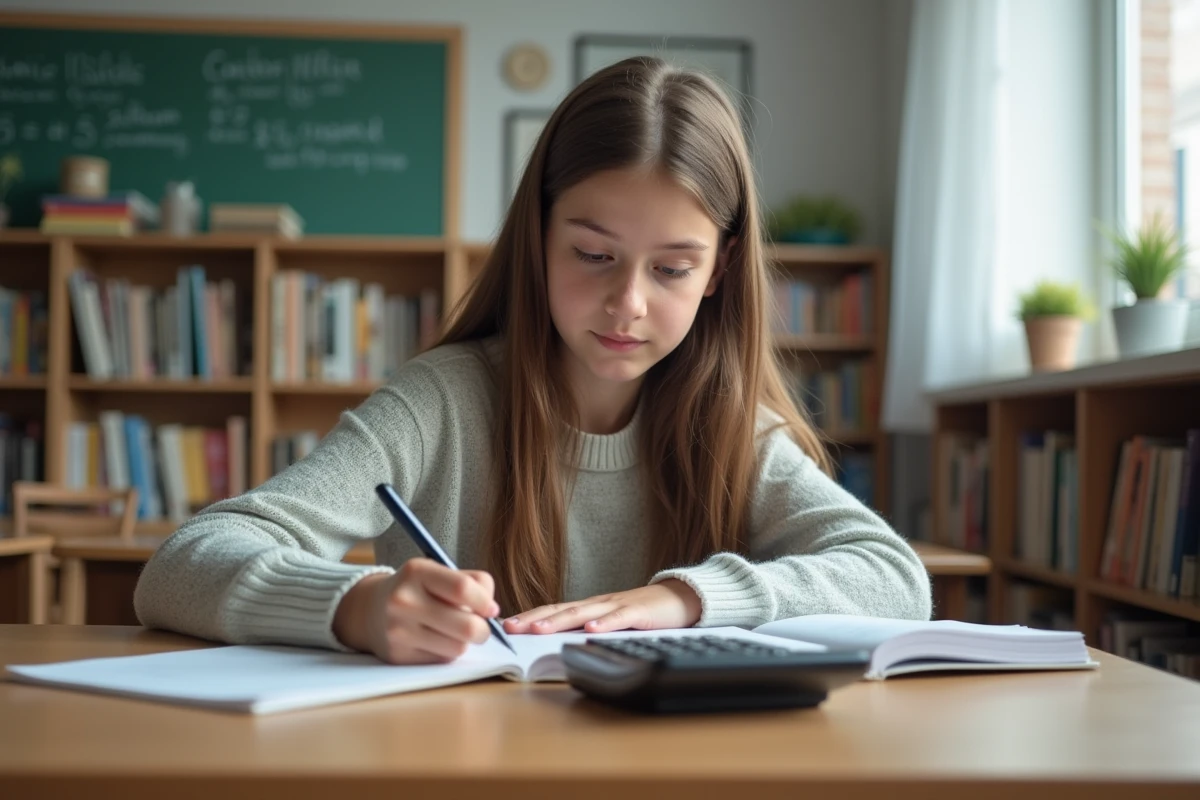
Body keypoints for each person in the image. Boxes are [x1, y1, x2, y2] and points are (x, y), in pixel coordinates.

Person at [135, 57, 931, 665]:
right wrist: (359, 607)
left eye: (673, 268)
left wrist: (688, 598)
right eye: (593, 253)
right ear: (539, 240)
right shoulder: (440, 403)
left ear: (718, 271)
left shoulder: (737, 433)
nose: (628, 303)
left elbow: (896, 579)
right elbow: (183, 565)